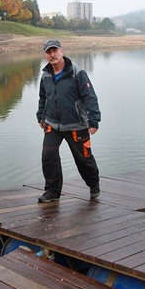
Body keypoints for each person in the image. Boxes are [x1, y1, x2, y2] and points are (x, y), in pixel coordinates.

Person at [36, 39, 101, 203]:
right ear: (46, 55)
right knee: (48, 157)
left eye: (54, 51)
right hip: (52, 124)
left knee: (83, 159)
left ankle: (94, 185)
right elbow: (43, 98)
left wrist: (94, 120)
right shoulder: (45, 75)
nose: (52, 55)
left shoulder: (77, 73)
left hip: (76, 124)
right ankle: (52, 192)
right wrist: (41, 116)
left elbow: (90, 97)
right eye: (49, 52)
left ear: (61, 51)